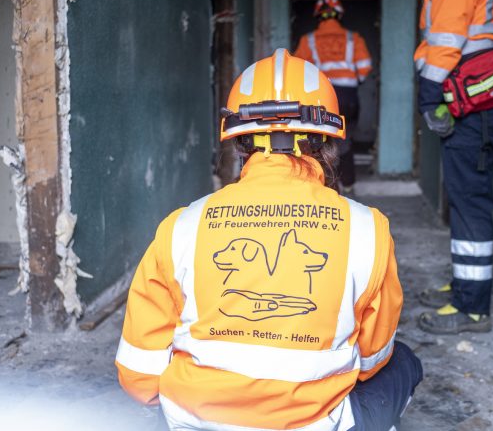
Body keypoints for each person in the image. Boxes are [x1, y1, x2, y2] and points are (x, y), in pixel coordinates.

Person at [115, 49, 422, 430]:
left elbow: (138, 375)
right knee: (404, 361)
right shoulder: (368, 229)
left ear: (240, 143)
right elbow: (372, 360)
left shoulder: (182, 226)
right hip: (315, 424)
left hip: (193, 421)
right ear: (328, 141)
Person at [403, 0, 493, 335]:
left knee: (469, 201)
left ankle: (472, 308)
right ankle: (464, 287)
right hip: (473, 99)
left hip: (470, 102)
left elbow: (446, 41)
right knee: (465, 198)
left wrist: (429, 97)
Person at [294, 0, 373, 194]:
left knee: (319, 140)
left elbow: (299, 70)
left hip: (321, 97)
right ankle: (348, 185)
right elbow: (365, 68)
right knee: (345, 140)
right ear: (339, 15)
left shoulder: (308, 40)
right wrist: (353, 79)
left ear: (318, 16)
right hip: (348, 96)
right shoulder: (353, 38)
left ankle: (323, 186)